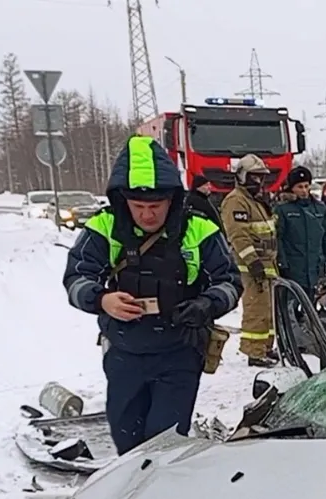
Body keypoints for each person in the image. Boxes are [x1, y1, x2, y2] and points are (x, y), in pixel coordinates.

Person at [62, 135, 240, 455]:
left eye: (155, 206)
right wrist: (102, 300)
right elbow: (76, 278)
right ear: (123, 200)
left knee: (164, 445)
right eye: (138, 206)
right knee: (128, 443)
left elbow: (230, 282)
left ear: (171, 199)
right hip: (124, 354)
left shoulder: (199, 229)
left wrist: (207, 304)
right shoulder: (104, 228)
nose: (147, 215)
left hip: (180, 352)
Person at [220, 155, 283, 367]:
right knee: (256, 309)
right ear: (243, 176)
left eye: (261, 178)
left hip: (268, 264)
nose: (259, 182)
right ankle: (254, 353)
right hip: (251, 266)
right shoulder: (235, 201)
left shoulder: (255, 200)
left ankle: (266, 346)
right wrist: (253, 263)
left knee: (268, 309)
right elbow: (239, 236)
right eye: (254, 177)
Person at [273, 165, 326, 297]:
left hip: (316, 269)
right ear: (291, 188)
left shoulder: (319, 208)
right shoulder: (283, 209)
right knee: (292, 310)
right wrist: (282, 264)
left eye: (306, 186)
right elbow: (278, 238)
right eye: (299, 187)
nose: (304, 190)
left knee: (313, 310)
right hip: (294, 270)